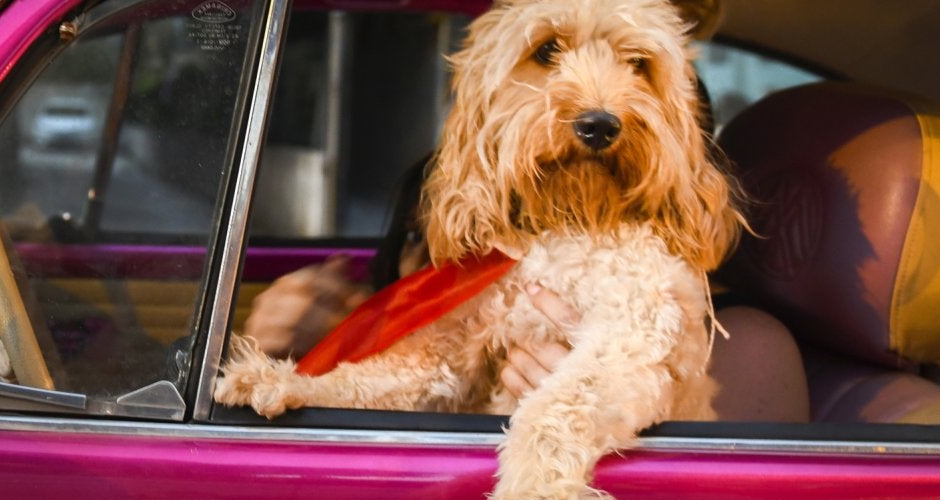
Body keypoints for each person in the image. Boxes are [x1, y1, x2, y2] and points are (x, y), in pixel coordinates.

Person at [241, 155, 810, 424]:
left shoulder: (745, 344)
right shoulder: (412, 320)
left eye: (488, 237)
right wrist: (300, 354)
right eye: (422, 234)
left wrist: (613, 399)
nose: (442, 264)